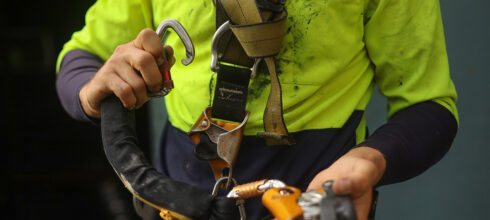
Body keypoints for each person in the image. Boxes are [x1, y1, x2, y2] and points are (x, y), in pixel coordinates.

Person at [56, 0, 458, 219]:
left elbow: (429, 105)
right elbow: (83, 57)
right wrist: (96, 88)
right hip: (179, 199)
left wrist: (367, 162)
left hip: (318, 199)